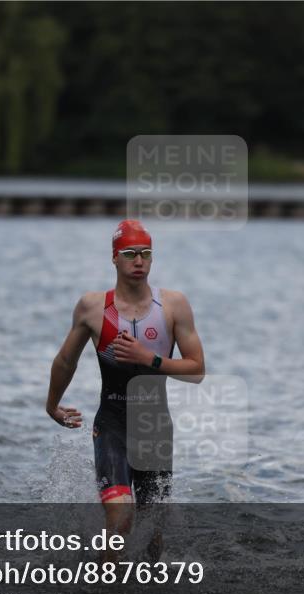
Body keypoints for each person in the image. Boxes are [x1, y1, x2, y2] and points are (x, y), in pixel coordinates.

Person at [46, 219, 205, 557]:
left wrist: (150, 359)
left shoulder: (174, 306)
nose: (139, 261)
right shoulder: (93, 308)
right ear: (115, 258)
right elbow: (64, 361)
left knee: (152, 538)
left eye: (146, 254)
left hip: (155, 429)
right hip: (113, 424)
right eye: (130, 254)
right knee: (120, 519)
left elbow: (197, 370)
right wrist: (52, 406)